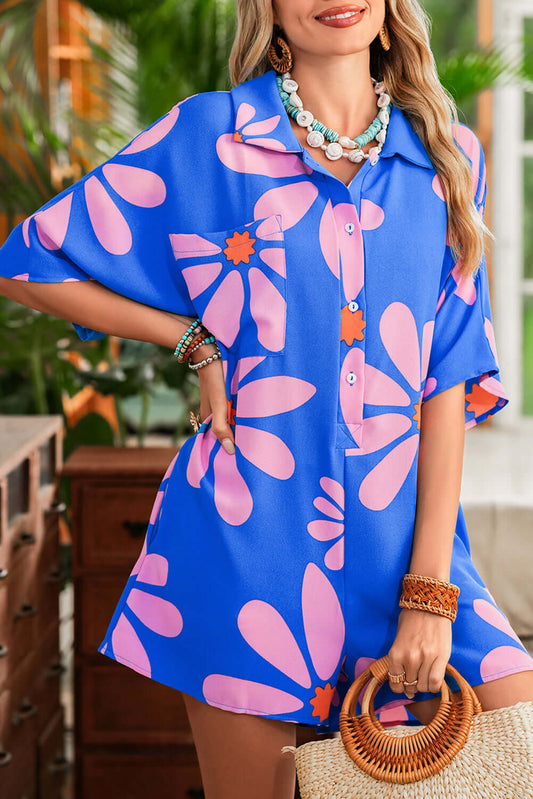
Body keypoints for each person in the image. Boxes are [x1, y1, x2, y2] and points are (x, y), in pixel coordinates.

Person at [1, 0, 533, 796]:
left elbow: (446, 376)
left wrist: (429, 592)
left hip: (405, 553)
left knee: (509, 740)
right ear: (272, 13)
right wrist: (192, 338)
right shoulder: (206, 139)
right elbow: (28, 260)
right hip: (249, 541)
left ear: (390, 14)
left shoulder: (448, 156)